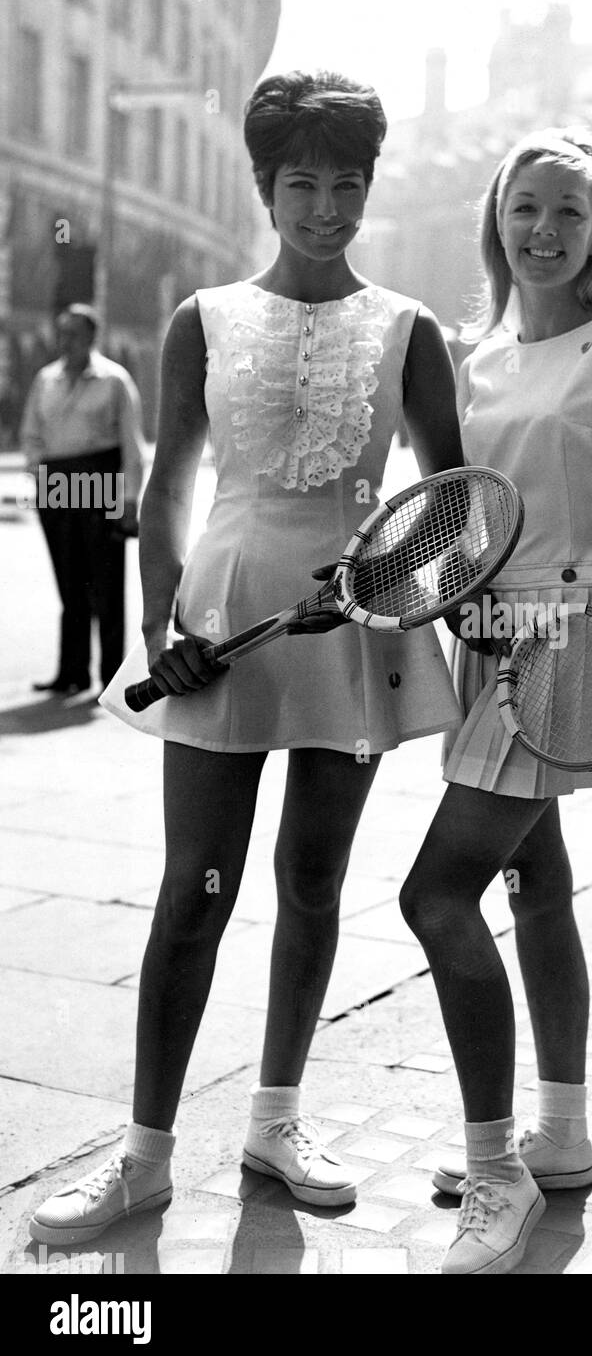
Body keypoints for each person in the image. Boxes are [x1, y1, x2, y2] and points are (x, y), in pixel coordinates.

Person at [28, 71, 464, 1246]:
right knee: (193, 890)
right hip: (220, 624)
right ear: (266, 189)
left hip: (354, 635)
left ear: (369, 190)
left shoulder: (410, 328)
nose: (325, 208)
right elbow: (167, 483)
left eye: (346, 186)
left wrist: (376, 579)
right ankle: (142, 1157)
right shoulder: (202, 318)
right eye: (302, 185)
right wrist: (162, 621)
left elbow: (448, 503)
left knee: (313, 883)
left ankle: (277, 1118)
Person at [399, 128, 592, 1274]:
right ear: (496, 217)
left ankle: (496, 1174)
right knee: (539, 884)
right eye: (526, 207)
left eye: (571, 210)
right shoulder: (479, 354)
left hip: (577, 638)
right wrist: (416, 587)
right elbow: (457, 509)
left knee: (434, 896)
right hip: (493, 638)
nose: (545, 230)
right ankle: (557, 1138)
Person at [19, 304, 144, 695]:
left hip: (99, 479)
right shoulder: (46, 379)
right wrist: (40, 477)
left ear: (92, 336)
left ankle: (111, 677)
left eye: (73, 333)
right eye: (62, 333)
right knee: (69, 582)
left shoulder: (113, 380)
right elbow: (31, 434)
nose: (65, 341)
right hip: (57, 484)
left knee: (105, 584)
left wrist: (127, 501)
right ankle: (71, 672)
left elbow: (131, 445)